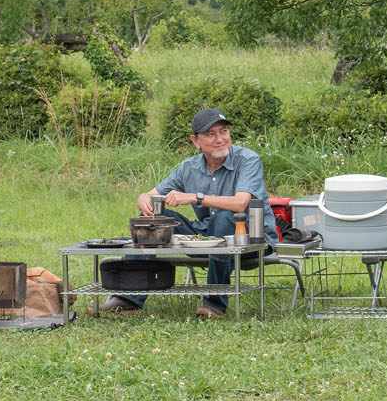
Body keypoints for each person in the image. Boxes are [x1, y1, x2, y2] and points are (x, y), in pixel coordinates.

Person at [94, 107, 266, 319]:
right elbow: (151, 195)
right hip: (207, 236)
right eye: (211, 134)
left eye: (223, 131)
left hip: (252, 238)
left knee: (224, 217)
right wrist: (144, 199)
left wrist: (195, 197)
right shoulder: (189, 167)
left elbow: (241, 204)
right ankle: (128, 299)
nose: (220, 139)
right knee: (150, 219)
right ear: (195, 141)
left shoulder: (248, 159)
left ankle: (214, 303)